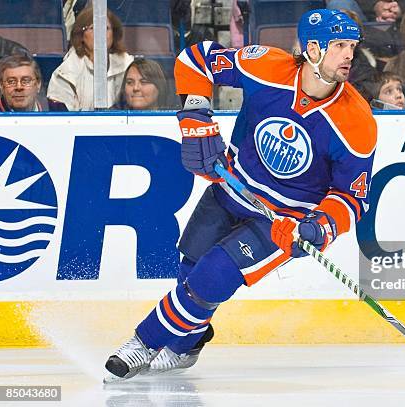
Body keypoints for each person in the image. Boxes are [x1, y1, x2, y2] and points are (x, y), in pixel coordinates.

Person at [103, 9, 377, 382]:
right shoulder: (266, 66)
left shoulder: (357, 122)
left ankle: (141, 343)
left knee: (212, 277)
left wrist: (318, 229)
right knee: (191, 271)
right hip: (231, 188)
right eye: (339, 45)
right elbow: (196, 59)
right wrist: (195, 117)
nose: (349, 55)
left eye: (352, 46)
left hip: (283, 223)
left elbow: (351, 197)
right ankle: (187, 346)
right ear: (312, 48)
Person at [47, 7, 134, 111]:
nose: (100, 33)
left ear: (114, 34)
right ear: (81, 35)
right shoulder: (65, 73)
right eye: (93, 28)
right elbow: (63, 119)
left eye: (106, 28)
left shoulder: (129, 66)